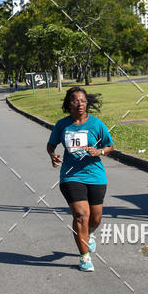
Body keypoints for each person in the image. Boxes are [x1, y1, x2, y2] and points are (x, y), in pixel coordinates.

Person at [46, 86, 114, 271]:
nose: (80, 104)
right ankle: (84, 257)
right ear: (69, 103)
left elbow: (110, 146)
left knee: (96, 218)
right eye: (75, 100)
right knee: (81, 215)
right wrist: (53, 155)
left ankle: (89, 233)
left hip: (95, 175)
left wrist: (99, 151)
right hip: (71, 176)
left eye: (83, 100)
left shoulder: (96, 124)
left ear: (87, 103)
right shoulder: (62, 125)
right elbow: (51, 145)